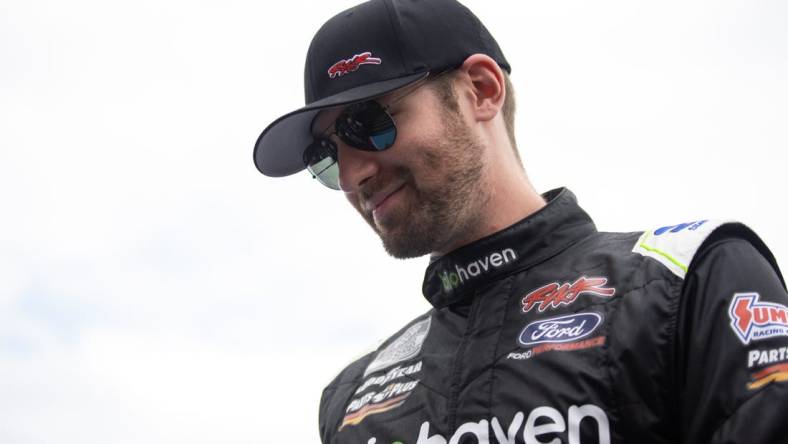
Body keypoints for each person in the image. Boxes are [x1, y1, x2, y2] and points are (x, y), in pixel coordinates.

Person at [252, 0, 788, 442]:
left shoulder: (686, 281)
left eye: (369, 123)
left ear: (481, 90)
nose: (352, 175)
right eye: (327, 154)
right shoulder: (351, 400)